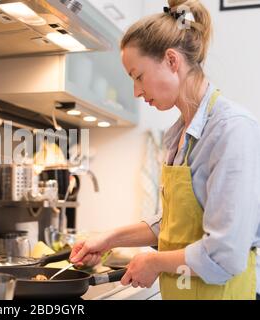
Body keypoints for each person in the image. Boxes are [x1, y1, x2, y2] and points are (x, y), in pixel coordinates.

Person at [69, 0, 260, 300]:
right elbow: (173, 224)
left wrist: (154, 262)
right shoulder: (178, 134)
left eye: (138, 76)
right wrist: (109, 239)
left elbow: (226, 255)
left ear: (172, 61)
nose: (136, 91)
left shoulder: (231, 131)